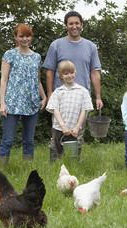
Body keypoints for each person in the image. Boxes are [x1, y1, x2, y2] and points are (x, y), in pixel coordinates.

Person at [43, 11, 102, 159]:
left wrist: (98, 97)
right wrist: (50, 94)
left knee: (78, 132)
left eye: (77, 23)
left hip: (81, 98)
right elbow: (49, 71)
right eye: (71, 23)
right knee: (58, 130)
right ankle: (55, 163)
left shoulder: (90, 46)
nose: (74, 26)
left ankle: (73, 163)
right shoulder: (56, 45)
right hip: (61, 97)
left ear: (81, 25)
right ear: (66, 26)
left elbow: (95, 73)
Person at [0, 23, 47, 169]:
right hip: (12, 102)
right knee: (8, 140)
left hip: (32, 102)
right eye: (21, 36)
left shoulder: (36, 57)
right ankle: (2, 171)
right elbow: (4, 79)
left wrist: (43, 97)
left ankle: (27, 171)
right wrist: (2, 103)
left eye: (28, 36)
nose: (25, 39)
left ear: (31, 37)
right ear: (16, 37)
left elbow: (37, 80)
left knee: (29, 141)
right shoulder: (9, 54)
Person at [46, 60, 94, 162]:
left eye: (71, 73)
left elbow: (84, 110)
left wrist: (77, 127)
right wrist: (63, 126)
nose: (69, 76)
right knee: (56, 147)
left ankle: (73, 168)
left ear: (75, 73)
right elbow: (55, 109)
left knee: (74, 150)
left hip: (75, 129)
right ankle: (54, 169)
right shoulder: (58, 92)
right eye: (66, 73)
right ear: (61, 76)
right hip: (59, 128)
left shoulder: (83, 91)